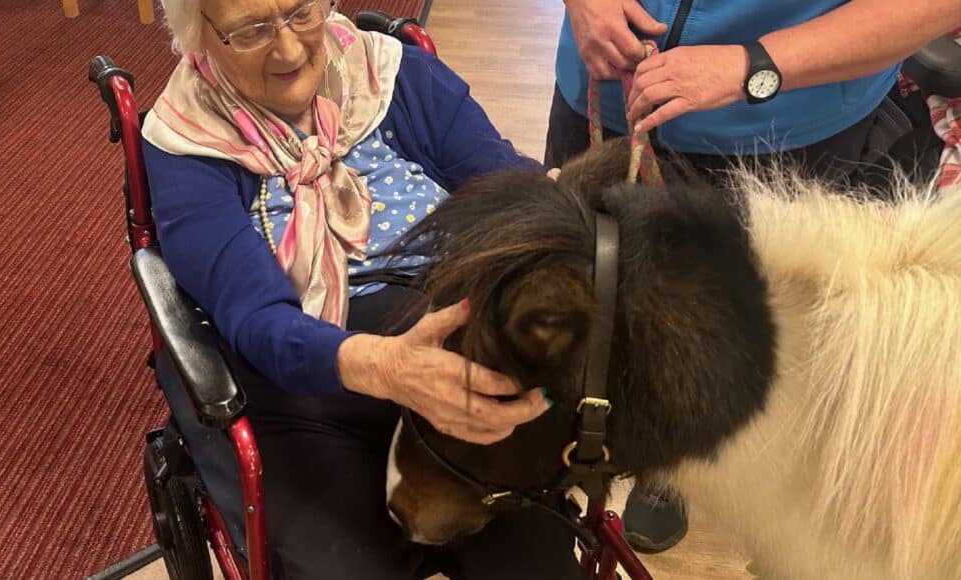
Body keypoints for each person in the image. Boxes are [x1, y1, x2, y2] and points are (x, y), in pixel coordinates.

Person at [142, 1, 587, 578]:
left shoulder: (390, 74)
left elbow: (500, 183)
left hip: (452, 342)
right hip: (300, 388)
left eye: (301, 12)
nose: (290, 49)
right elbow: (256, 318)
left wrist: (555, 205)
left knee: (537, 565)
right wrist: (388, 367)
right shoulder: (186, 143)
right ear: (201, 35)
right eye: (252, 31)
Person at [545, 0, 961, 553]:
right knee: (572, 303)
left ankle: (675, 456)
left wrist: (755, 65)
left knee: (715, 343)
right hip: (603, 85)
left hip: (779, 130)